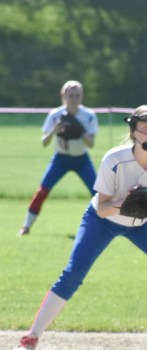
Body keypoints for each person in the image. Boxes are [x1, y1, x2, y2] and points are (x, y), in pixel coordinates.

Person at [11, 105, 147, 350]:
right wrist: (128, 203)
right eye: (146, 127)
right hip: (103, 221)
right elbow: (101, 208)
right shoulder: (115, 159)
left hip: (143, 224)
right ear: (133, 131)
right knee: (73, 273)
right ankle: (30, 338)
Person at [18, 80, 99, 236]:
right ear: (63, 96)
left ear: (82, 96)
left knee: (97, 193)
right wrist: (54, 130)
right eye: (70, 95)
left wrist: (80, 132)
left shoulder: (88, 115)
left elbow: (91, 144)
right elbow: (44, 142)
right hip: (60, 159)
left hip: (81, 160)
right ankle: (26, 226)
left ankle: (106, 226)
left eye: (77, 95)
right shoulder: (55, 114)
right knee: (42, 190)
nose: (74, 99)